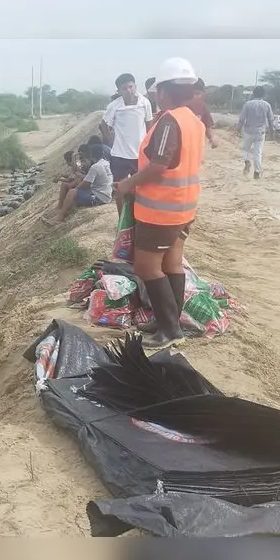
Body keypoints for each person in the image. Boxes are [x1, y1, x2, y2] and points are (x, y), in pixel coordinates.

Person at [113, 57, 205, 350]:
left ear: (163, 91)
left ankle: (169, 329)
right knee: (172, 263)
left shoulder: (170, 120)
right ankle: (170, 321)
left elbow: (160, 164)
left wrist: (128, 183)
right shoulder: (193, 119)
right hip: (184, 207)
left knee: (147, 266)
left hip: (161, 210)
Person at [101, 73, 154, 217]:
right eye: (124, 88)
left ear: (135, 86)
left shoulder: (145, 103)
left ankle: (140, 217)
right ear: (119, 91)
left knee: (142, 188)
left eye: (131, 87)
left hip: (140, 155)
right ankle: (121, 222)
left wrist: (149, 147)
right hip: (120, 155)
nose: (129, 91)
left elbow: (149, 126)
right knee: (120, 189)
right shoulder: (115, 106)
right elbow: (104, 125)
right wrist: (111, 142)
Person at [42, 143, 112, 225]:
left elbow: (85, 183)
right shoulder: (105, 162)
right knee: (73, 193)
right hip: (105, 193)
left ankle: (59, 217)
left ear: (90, 155)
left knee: (72, 192)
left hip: (100, 198)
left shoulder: (95, 167)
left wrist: (74, 190)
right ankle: (60, 215)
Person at [237, 86, 274, 179]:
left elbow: (242, 119)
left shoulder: (248, 104)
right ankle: (257, 172)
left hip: (248, 131)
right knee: (258, 152)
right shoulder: (267, 105)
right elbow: (271, 120)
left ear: (253, 94)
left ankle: (247, 161)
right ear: (263, 95)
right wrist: (272, 132)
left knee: (245, 149)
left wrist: (238, 129)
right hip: (260, 132)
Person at [187, 78, 218, 148]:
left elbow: (208, 127)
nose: (194, 97)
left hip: (197, 147)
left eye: (197, 94)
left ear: (203, 94)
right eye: (191, 94)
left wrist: (212, 137)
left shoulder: (203, 107)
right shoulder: (180, 106)